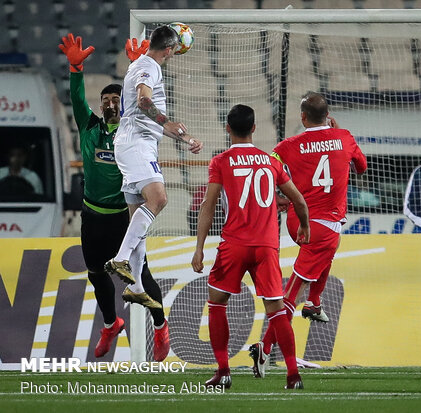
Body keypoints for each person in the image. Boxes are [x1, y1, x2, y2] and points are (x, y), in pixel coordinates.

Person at [59, 33, 170, 361]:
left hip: (125, 216)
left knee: (142, 276)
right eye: (105, 99)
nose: (109, 103)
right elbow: (78, 99)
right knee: (96, 274)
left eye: (114, 99)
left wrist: (138, 65)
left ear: (123, 105)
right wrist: (76, 68)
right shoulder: (89, 127)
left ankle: (161, 326)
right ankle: (111, 324)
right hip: (92, 217)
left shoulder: (134, 134)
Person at [191, 104, 309, 390]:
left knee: (217, 304)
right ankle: (293, 375)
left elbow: (208, 206)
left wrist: (199, 247)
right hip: (266, 246)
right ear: (254, 128)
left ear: (227, 129)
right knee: (277, 309)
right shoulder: (271, 162)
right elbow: (298, 199)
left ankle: (223, 372)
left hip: (234, 244)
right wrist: (304, 224)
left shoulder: (220, 161)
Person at [249, 91, 367, 378]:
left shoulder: (288, 145)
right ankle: (264, 349)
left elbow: (267, 170)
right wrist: (337, 136)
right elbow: (362, 168)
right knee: (292, 292)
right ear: (327, 116)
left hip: (297, 222)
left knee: (322, 259)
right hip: (323, 227)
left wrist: (278, 199)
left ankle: (315, 303)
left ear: (302, 117)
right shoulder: (345, 137)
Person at [103, 25, 202, 318]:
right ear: (170, 49)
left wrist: (184, 138)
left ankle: (135, 287)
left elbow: (150, 117)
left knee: (139, 220)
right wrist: (169, 123)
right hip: (136, 143)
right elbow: (145, 101)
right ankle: (120, 259)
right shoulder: (149, 66)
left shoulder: (141, 64)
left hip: (136, 141)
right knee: (158, 199)